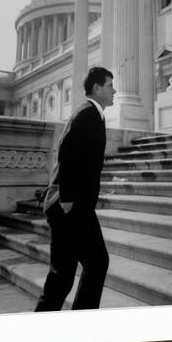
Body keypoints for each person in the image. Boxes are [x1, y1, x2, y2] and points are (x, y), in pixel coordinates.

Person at [35, 66, 116, 311]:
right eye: (110, 85)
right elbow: (66, 151)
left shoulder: (92, 114)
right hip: (70, 207)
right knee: (96, 263)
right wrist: (69, 198)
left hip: (70, 206)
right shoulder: (87, 114)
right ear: (97, 88)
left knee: (62, 277)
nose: (115, 90)